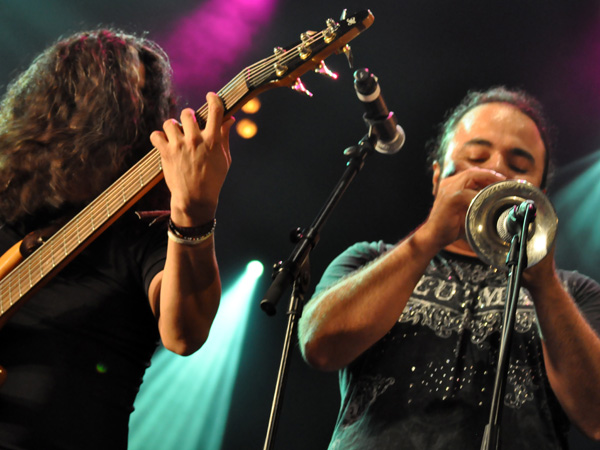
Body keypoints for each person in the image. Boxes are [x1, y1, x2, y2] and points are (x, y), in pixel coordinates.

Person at [298, 87, 600, 449]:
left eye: (519, 167)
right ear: (438, 176)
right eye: (476, 157)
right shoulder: (368, 258)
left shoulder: (574, 291)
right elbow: (319, 346)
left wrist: (545, 285)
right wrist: (427, 239)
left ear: (540, 193)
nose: (496, 171)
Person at [0, 29, 234, 448]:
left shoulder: (145, 233)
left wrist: (193, 215)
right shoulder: (6, 206)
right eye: (113, 105)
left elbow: (185, 332)